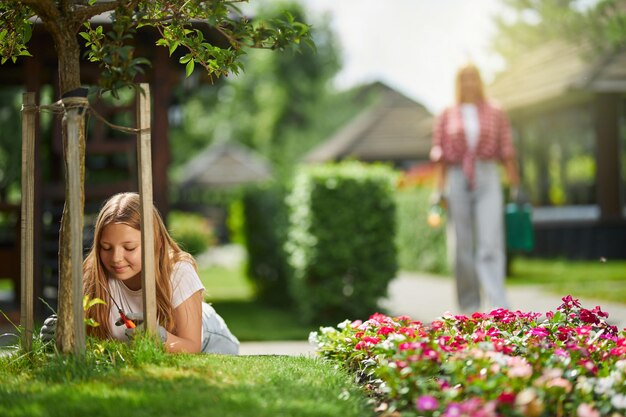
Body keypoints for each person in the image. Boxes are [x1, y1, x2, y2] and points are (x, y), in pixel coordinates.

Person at [42, 192, 239, 354]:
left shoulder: (178, 272)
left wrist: (157, 337)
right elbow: (93, 342)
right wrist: (64, 333)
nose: (116, 258)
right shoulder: (94, 276)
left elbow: (192, 346)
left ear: (156, 243)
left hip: (210, 341)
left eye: (129, 248)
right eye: (106, 247)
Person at [429, 63, 520, 314]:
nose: (469, 83)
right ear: (458, 83)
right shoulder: (446, 113)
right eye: (464, 79)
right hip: (457, 178)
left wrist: (516, 186)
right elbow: (440, 157)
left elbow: (507, 150)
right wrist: (438, 191)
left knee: (490, 243)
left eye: (474, 78)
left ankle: (499, 309)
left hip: (488, 174)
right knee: (461, 245)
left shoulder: (496, 110)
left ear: (480, 81)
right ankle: (469, 309)